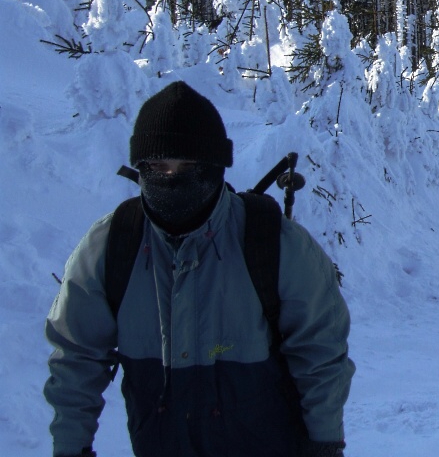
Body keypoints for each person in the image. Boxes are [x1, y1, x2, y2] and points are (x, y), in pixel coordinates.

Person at [44, 81, 355, 457]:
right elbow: (76, 358)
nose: (171, 178)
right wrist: (70, 446)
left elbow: (320, 351)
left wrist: (324, 444)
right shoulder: (112, 246)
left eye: (188, 166)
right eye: (158, 166)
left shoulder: (274, 244)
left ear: (215, 167)